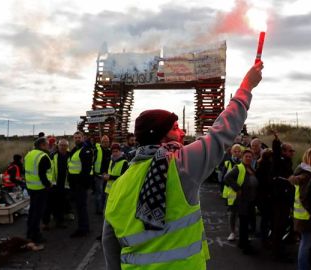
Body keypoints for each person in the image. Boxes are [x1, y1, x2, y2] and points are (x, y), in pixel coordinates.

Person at [102, 61, 263, 270]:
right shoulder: (178, 165)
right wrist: (247, 86)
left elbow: (110, 245)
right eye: (175, 128)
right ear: (161, 136)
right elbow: (221, 133)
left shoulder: (119, 185)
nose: (183, 132)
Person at [289, 148, 311, 270]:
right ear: (308, 158)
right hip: (306, 216)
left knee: (306, 243)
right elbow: (304, 197)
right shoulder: (308, 175)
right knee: (306, 244)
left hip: (302, 216)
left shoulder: (307, 172)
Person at [224, 150, 259, 254]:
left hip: (250, 200)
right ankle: (244, 245)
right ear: (242, 158)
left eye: (250, 156)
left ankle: (243, 242)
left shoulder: (251, 168)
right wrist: (237, 188)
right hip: (243, 200)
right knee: (243, 222)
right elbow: (227, 178)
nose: (248, 158)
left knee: (246, 222)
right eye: (246, 156)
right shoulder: (239, 168)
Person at [270, 131, 296, 261]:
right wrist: (276, 141)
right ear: (284, 152)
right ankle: (277, 252)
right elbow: (276, 152)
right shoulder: (278, 161)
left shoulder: (288, 161)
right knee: (279, 224)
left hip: (286, 197)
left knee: (284, 223)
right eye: (290, 151)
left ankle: (281, 246)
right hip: (280, 197)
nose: (293, 153)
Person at [24, 137, 52, 245]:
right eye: (47, 144)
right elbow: (42, 174)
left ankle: (29, 233)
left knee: (32, 212)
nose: (49, 146)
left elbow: (25, 170)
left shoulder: (29, 154)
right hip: (40, 188)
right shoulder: (43, 156)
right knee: (38, 213)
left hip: (31, 187)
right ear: (42, 145)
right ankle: (36, 236)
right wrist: (48, 185)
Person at [68, 131, 94, 237]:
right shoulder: (75, 150)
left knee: (81, 207)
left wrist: (81, 183)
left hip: (80, 184)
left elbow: (86, 169)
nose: (77, 139)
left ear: (83, 138)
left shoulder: (86, 150)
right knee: (78, 207)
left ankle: (83, 229)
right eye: (75, 137)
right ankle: (83, 227)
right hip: (75, 183)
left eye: (79, 137)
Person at [221, 143, 242, 241]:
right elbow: (223, 179)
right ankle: (232, 232)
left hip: (242, 194)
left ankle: (242, 232)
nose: (237, 153)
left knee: (242, 213)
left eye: (239, 151)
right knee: (232, 214)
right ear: (231, 152)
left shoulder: (244, 163)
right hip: (231, 193)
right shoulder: (227, 163)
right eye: (235, 151)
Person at [51, 139, 73, 222]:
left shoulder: (71, 155)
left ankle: (65, 215)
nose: (63, 147)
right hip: (56, 183)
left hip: (67, 182)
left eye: (65, 145)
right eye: (61, 145)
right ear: (58, 146)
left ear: (67, 147)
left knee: (65, 200)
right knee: (56, 201)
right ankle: (57, 217)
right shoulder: (53, 155)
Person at [94, 135, 112, 215]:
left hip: (107, 176)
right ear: (101, 142)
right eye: (104, 142)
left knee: (105, 193)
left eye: (107, 142)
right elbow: (93, 162)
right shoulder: (97, 150)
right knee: (99, 193)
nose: (105, 143)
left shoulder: (110, 151)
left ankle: (104, 208)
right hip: (99, 176)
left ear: (109, 142)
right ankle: (99, 210)